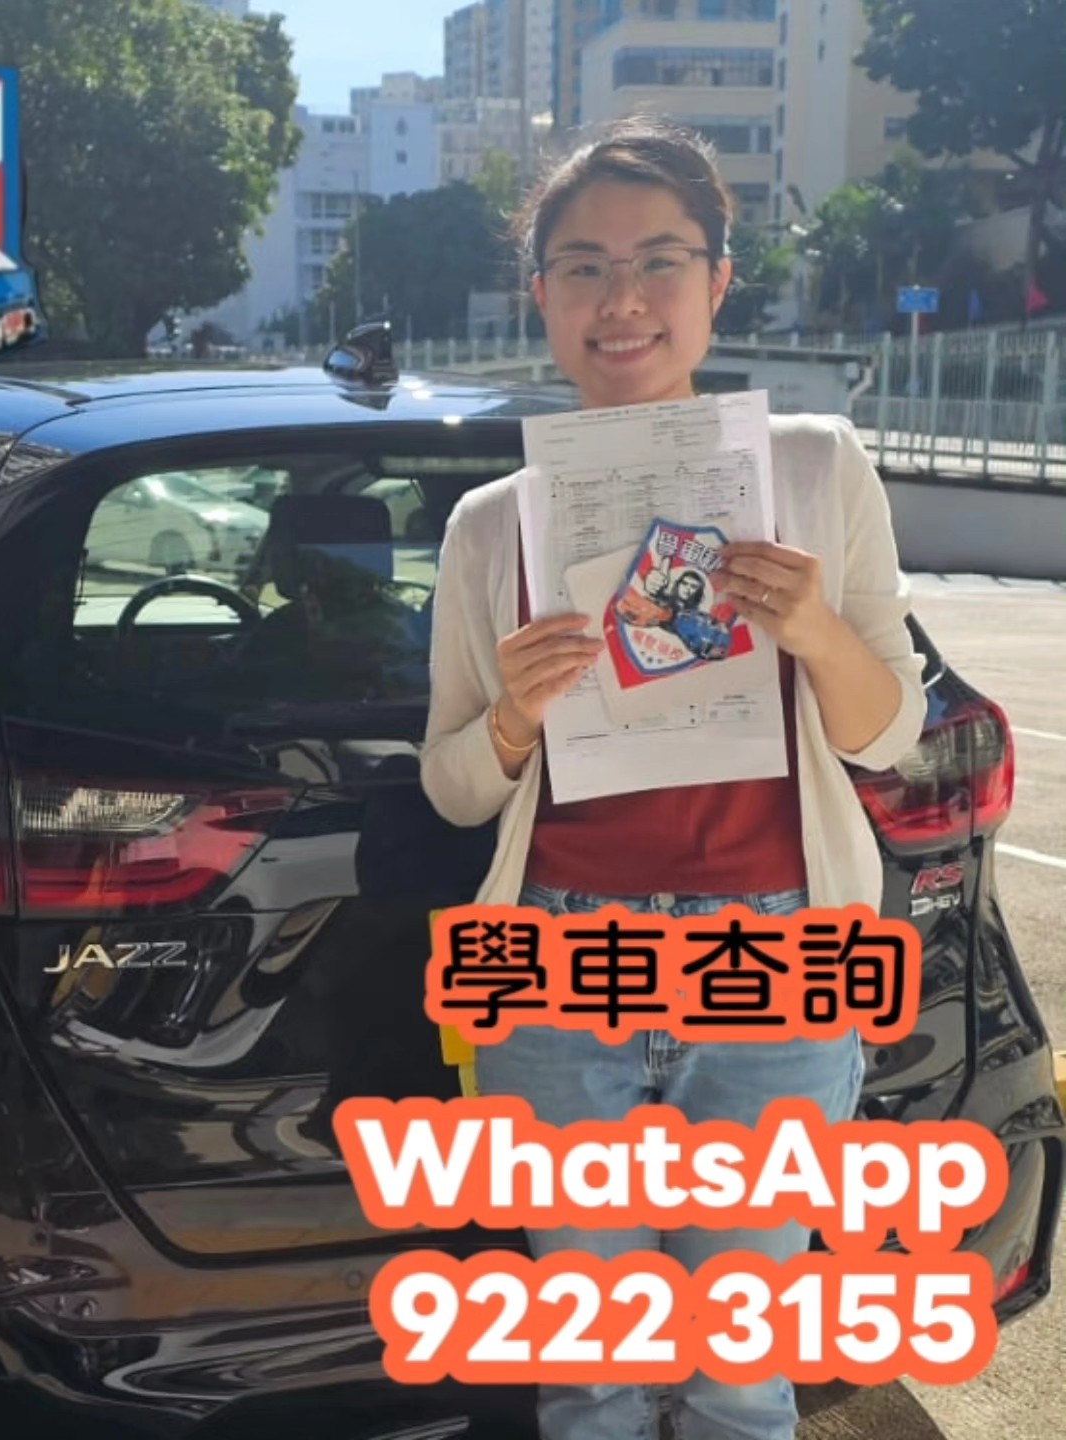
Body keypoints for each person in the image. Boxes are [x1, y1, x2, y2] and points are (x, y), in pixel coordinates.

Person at [421, 116, 927, 1440]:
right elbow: (454, 789)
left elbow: (889, 734)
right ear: (540, 294)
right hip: (557, 966)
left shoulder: (814, 466)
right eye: (584, 267)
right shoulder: (490, 527)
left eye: (660, 259)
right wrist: (516, 722)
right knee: (591, 1367)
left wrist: (812, 630)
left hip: (779, 960)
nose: (623, 299)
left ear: (718, 280)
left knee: (738, 1368)